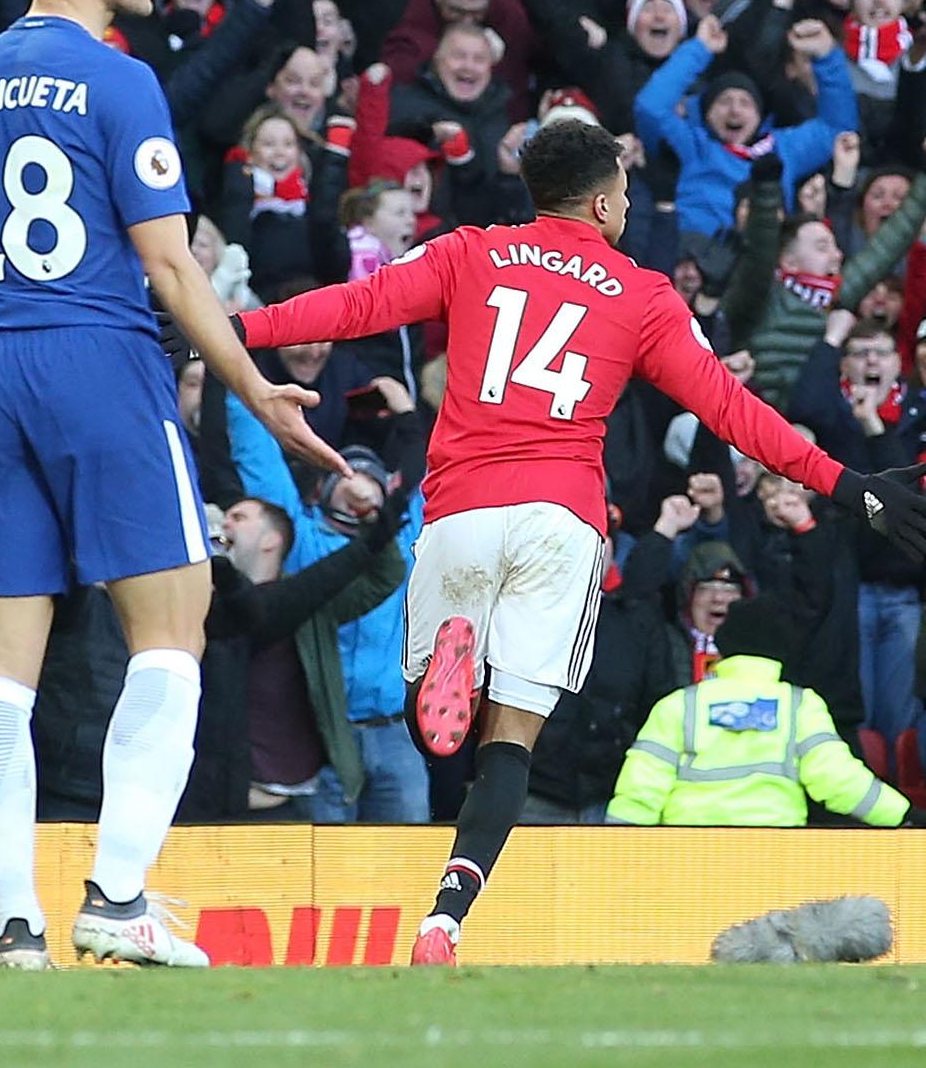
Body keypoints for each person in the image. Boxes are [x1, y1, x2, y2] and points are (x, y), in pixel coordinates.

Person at [173, 116, 926, 965]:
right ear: (603, 201)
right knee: (513, 739)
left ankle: (446, 664)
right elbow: (728, 406)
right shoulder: (642, 294)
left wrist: (230, 329)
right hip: (562, 521)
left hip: (460, 511)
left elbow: (357, 304)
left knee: (429, 709)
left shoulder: (471, 252)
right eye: (629, 195)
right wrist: (844, 481)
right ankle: (443, 920)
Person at [0, 0, 345, 970]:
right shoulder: (117, 82)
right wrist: (254, 386)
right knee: (174, 627)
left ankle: (14, 927)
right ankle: (115, 896)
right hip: (96, 359)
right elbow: (168, 264)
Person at [605, 594, 917, 829]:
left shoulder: (680, 704)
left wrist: (612, 853)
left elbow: (640, 789)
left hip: (689, 856)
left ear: (725, 645)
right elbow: (838, 781)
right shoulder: (799, 705)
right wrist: (903, 815)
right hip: (775, 854)